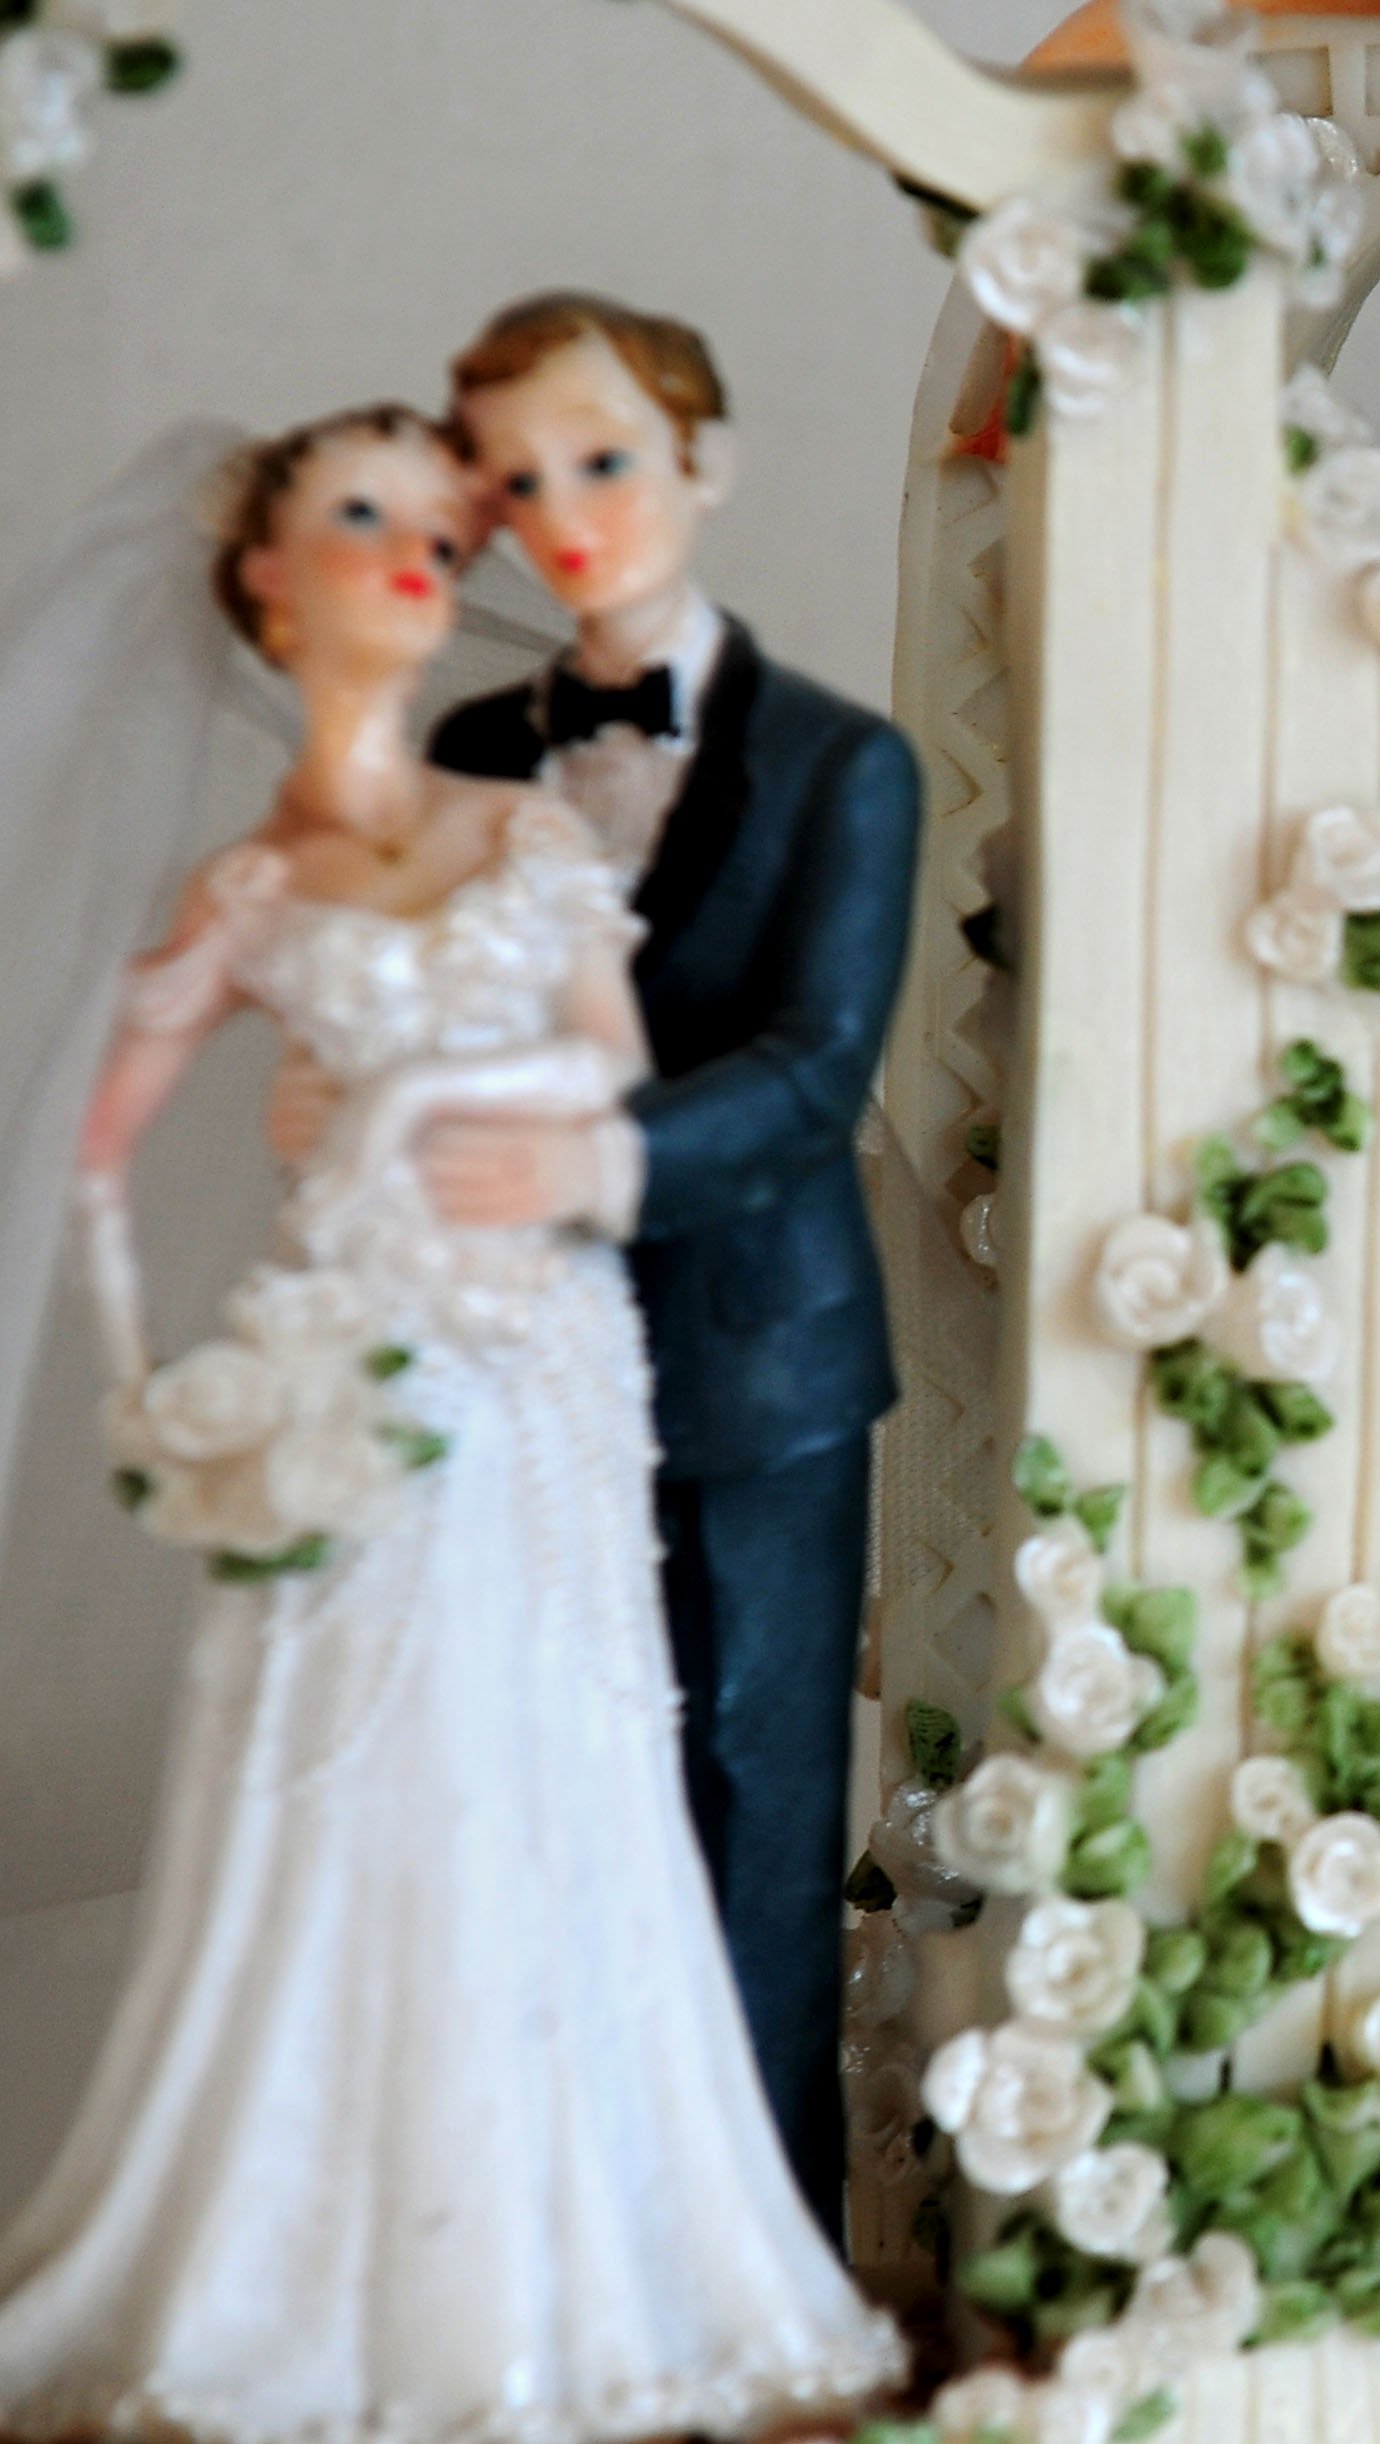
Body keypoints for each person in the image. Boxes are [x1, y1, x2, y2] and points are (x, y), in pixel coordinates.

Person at [0, 407, 900, 2440]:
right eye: (360, 524)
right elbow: (83, 1140)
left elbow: (615, 1078)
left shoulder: (523, 828)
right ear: (263, 583)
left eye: (436, 524)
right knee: (349, 1764)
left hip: (546, 1354)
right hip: (355, 1351)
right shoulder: (250, 880)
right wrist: (171, 1372)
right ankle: (328, 2249)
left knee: (570, 1755)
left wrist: (424, 1107)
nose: (417, 556)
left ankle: (593, 2236)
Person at [266, 294, 925, 2230]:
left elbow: (815, 1072)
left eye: (610, 459)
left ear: (704, 469)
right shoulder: (465, 744)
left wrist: (590, 1150)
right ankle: (546, 2243)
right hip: (507, 1354)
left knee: (746, 1794)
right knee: (519, 1793)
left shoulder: (840, 765)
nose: (569, 511)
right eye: (521, 477)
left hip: (753, 1367)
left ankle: (763, 2260)